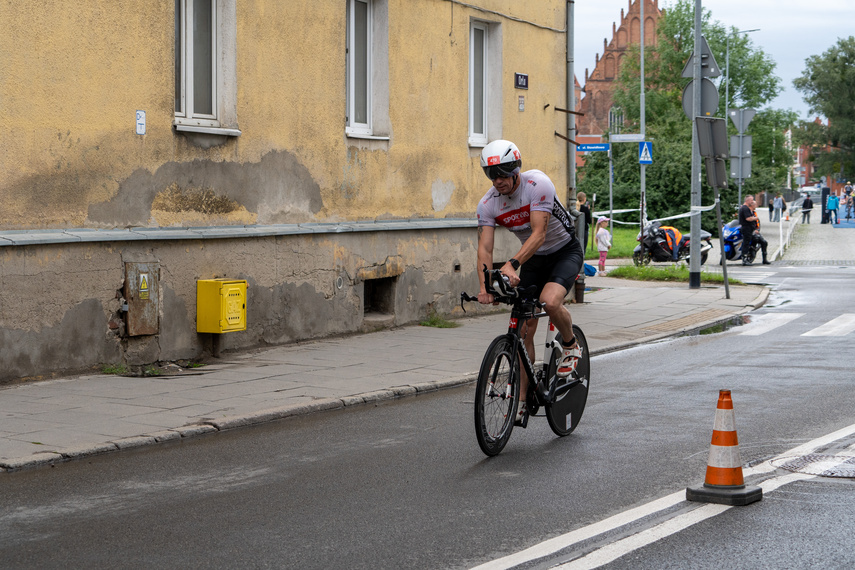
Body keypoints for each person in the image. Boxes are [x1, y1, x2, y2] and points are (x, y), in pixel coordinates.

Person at [475, 140, 585, 425]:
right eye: (491, 175)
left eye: (502, 173)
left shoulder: (538, 185)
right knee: (524, 328)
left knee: (549, 301)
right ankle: (522, 399)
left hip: (563, 252)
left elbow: (539, 233)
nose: (497, 180)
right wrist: (484, 286)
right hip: (534, 259)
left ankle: (571, 344)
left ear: (516, 170)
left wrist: (512, 263)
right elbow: (484, 249)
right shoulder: (488, 205)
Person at [738, 195, 769, 265]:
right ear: (748, 201)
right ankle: (744, 260)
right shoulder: (745, 208)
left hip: (751, 229)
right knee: (746, 243)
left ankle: (763, 259)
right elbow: (748, 218)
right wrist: (755, 218)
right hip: (747, 229)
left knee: (762, 242)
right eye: (751, 200)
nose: (752, 202)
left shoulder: (746, 209)